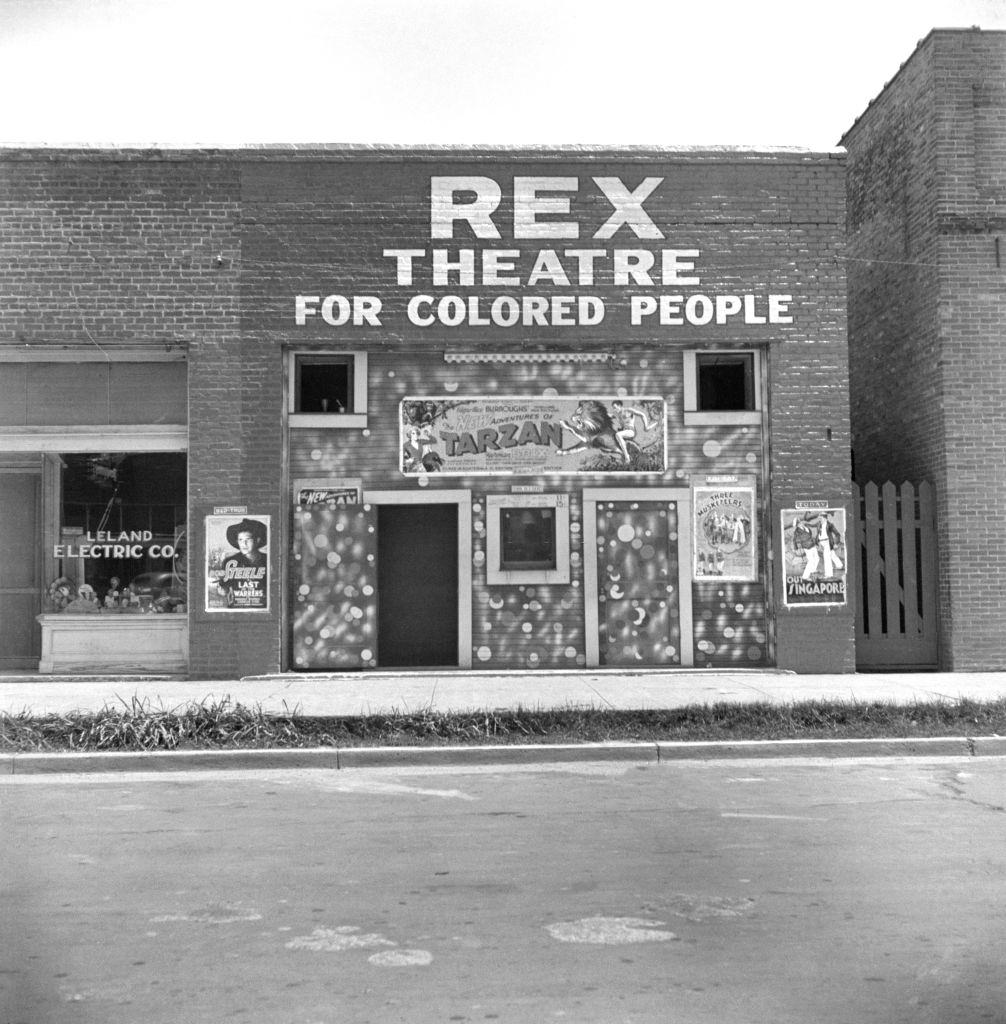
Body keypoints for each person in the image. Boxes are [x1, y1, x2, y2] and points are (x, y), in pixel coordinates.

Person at [217, 517, 268, 607]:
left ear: (257, 540)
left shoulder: (268, 561)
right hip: (237, 610)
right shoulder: (229, 562)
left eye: (248, 540)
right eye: (240, 540)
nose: (244, 544)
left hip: (262, 610)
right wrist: (223, 591)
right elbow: (223, 587)